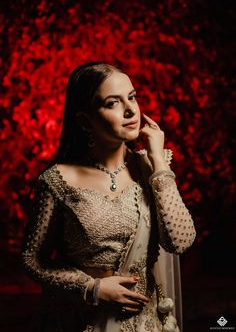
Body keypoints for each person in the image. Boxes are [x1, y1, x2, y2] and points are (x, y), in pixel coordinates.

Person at [22, 62, 196, 332]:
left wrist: (159, 163)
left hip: (146, 322)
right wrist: (93, 288)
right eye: (113, 103)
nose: (131, 110)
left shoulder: (152, 169)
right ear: (84, 120)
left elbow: (180, 241)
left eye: (132, 97)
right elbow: (32, 260)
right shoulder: (57, 180)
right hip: (83, 319)